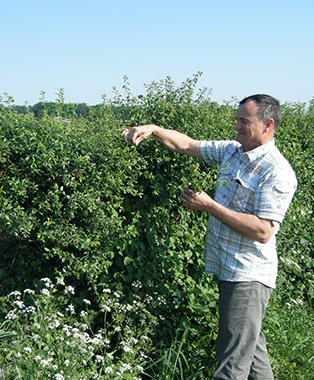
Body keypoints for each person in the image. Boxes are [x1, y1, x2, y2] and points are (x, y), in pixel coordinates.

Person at [123, 94, 297, 380]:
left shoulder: (276, 171)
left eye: (244, 121)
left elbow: (264, 231)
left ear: (267, 124)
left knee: (231, 365)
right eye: (237, 119)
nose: (237, 126)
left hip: (247, 276)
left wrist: (210, 206)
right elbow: (188, 145)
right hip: (229, 269)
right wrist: (153, 129)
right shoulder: (233, 150)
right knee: (252, 354)